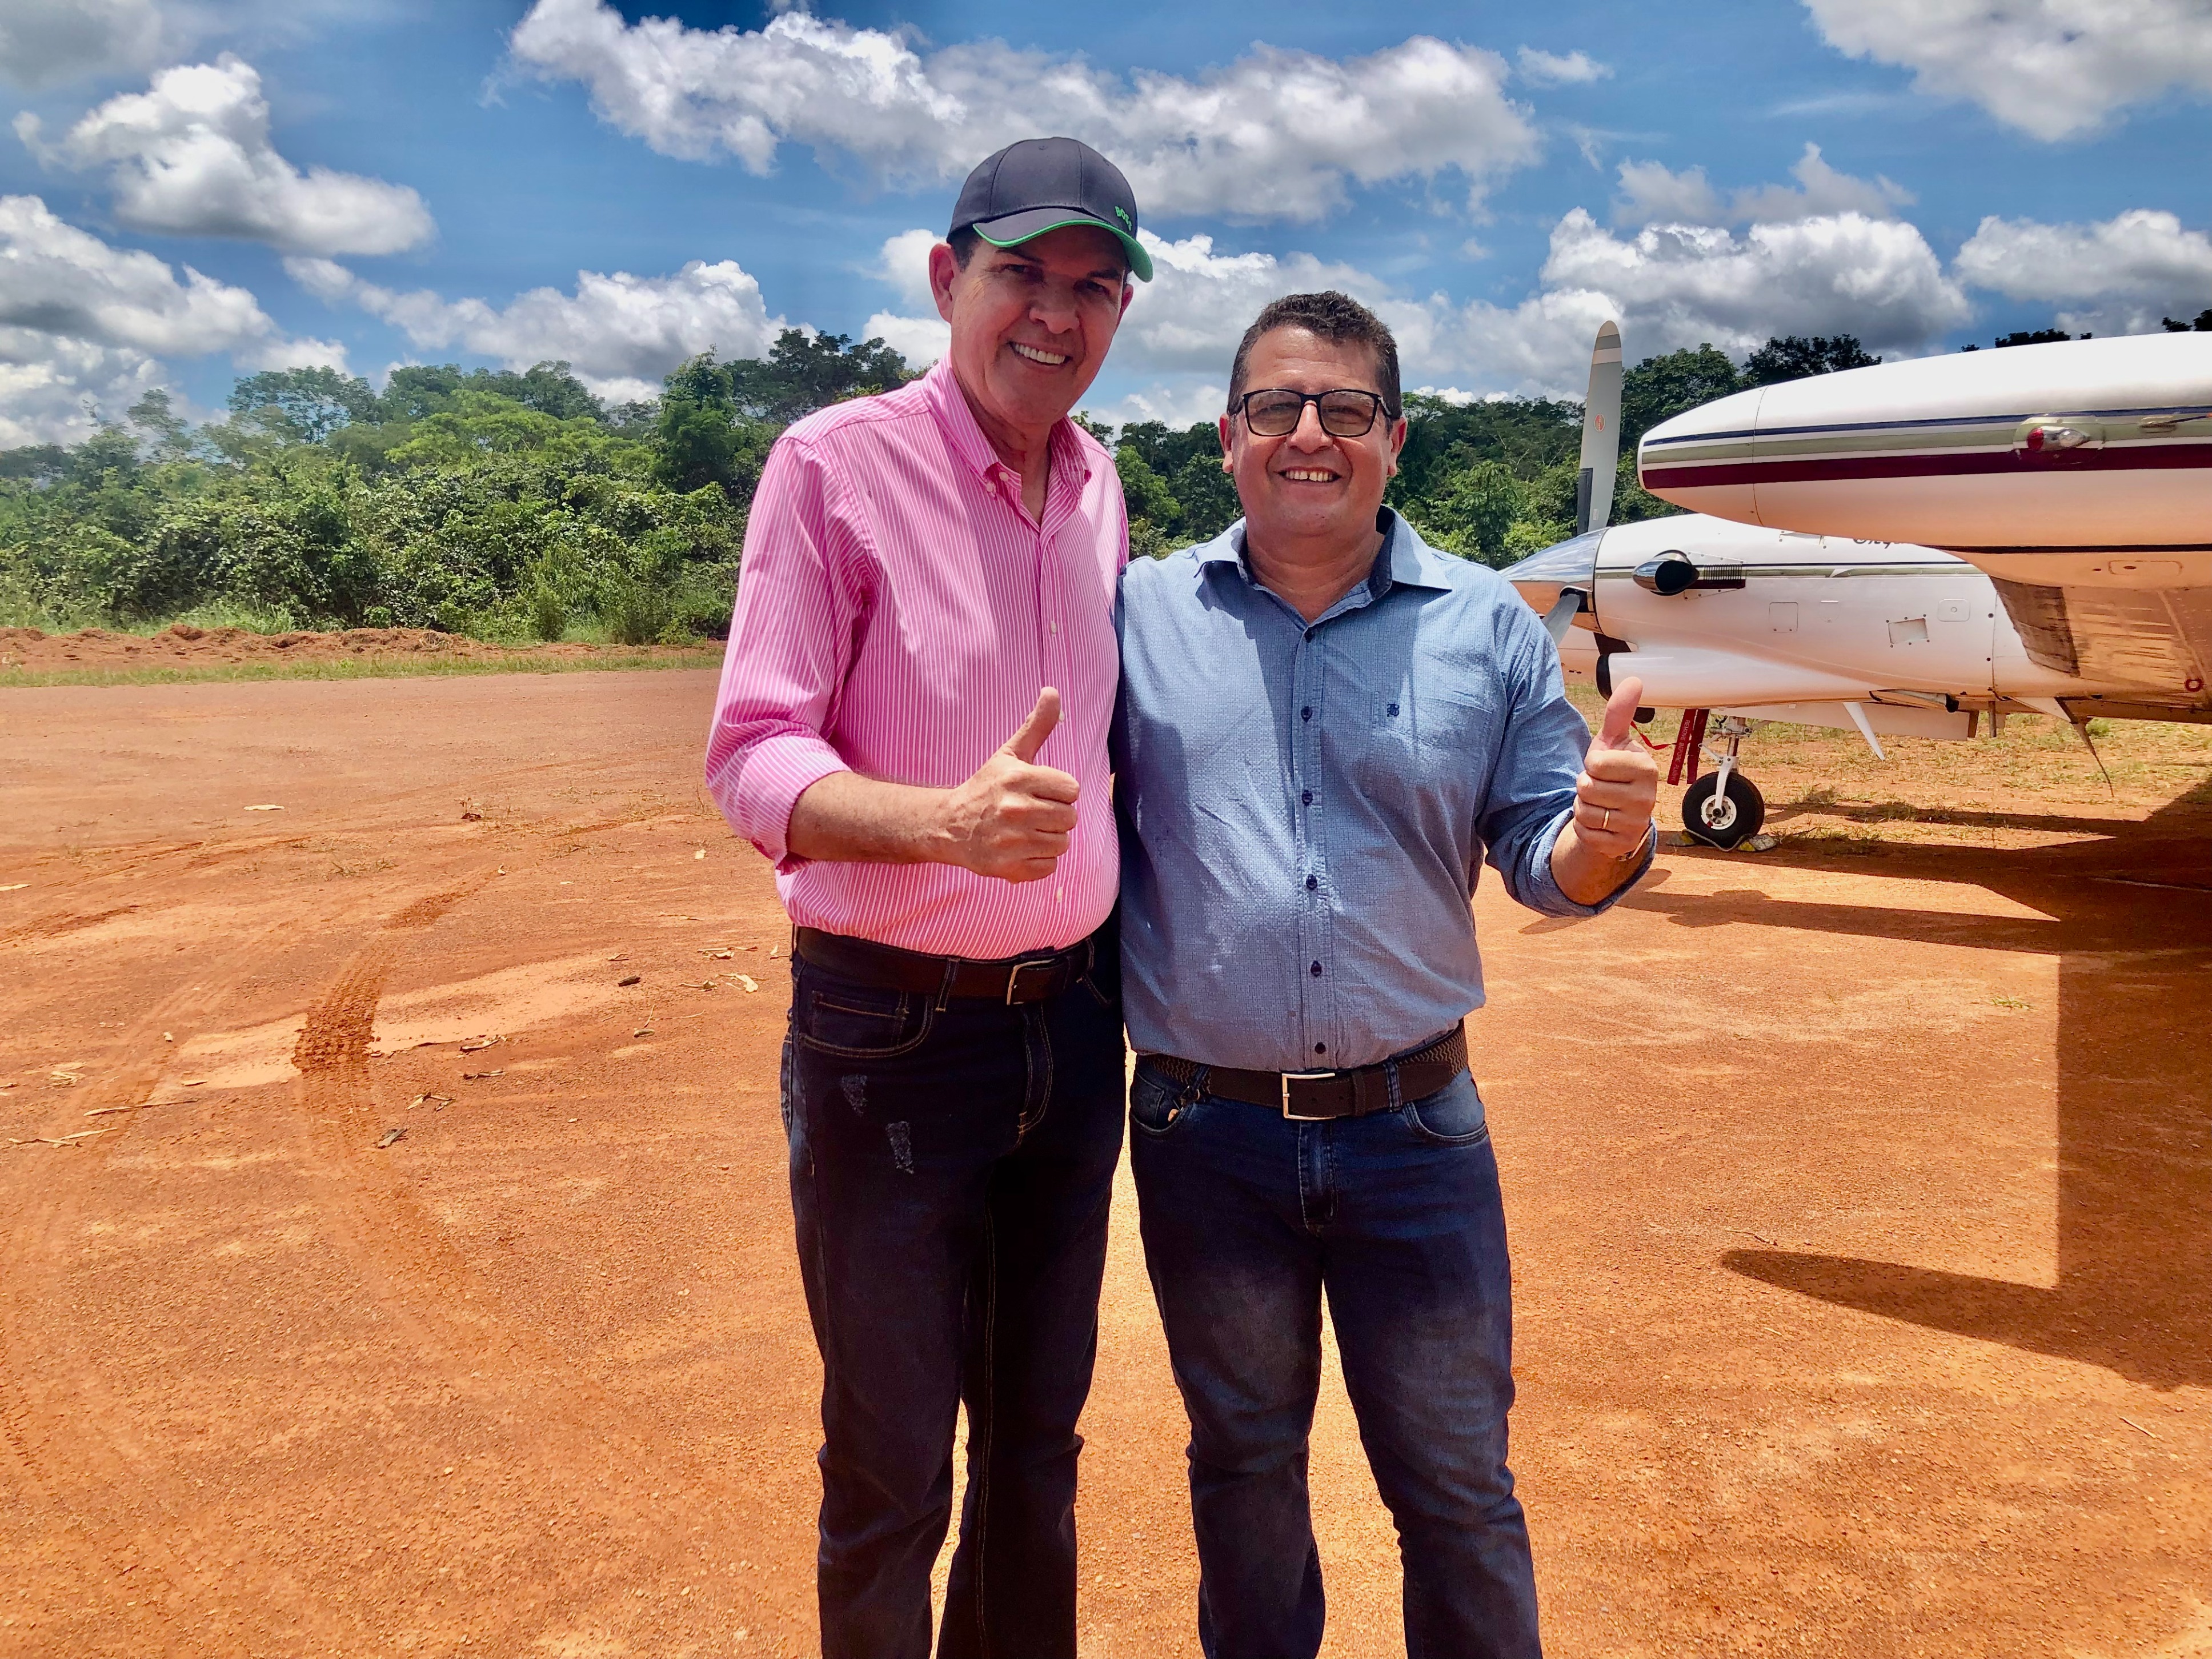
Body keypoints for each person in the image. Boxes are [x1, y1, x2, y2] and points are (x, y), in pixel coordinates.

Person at [1113, 290, 1659, 1659]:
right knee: (1242, 1468)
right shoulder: (1136, 617)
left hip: (1415, 1133)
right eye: (1274, 407)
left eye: (1344, 409)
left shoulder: (1486, 625)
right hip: (1203, 1135)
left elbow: (1543, 859)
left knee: (1458, 1488)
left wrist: (1605, 837)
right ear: (1227, 436)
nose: (1308, 433)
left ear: (1393, 438)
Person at [704, 136, 1153, 1659]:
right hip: (889, 1036)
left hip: (1073, 1032)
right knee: (893, 1468)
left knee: (1037, 1453)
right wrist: (943, 825)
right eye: (1023, 273)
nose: (1057, 314)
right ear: (948, 277)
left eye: (1095, 287)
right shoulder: (833, 466)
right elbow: (753, 755)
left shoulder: (1098, 487)